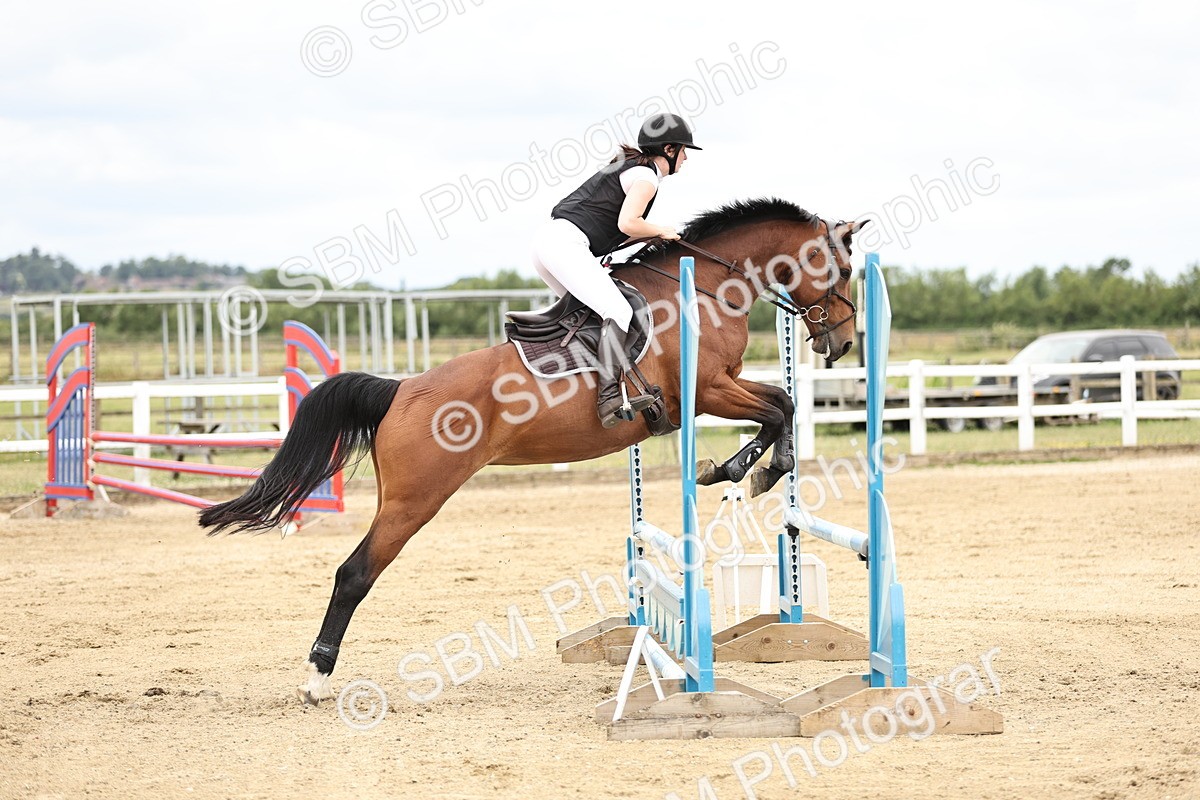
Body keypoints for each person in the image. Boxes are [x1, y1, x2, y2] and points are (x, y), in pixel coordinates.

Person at [531, 112, 702, 428]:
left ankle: (578, 385)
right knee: (619, 312)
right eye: (684, 150)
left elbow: (619, 230)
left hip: (551, 244)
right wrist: (663, 230)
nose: (686, 158)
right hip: (566, 244)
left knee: (593, 315)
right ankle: (609, 396)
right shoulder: (647, 177)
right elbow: (628, 223)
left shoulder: (633, 170)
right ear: (668, 149)